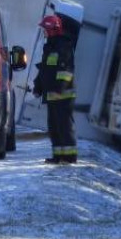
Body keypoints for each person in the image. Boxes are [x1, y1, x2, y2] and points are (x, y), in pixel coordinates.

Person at [32, 14, 77, 163]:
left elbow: (66, 71)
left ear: (53, 30)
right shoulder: (49, 47)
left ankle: (69, 157)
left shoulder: (64, 47)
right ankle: (58, 156)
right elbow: (44, 70)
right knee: (54, 128)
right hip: (52, 95)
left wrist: (60, 88)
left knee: (65, 127)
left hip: (63, 96)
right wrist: (38, 87)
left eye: (45, 30)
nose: (44, 32)